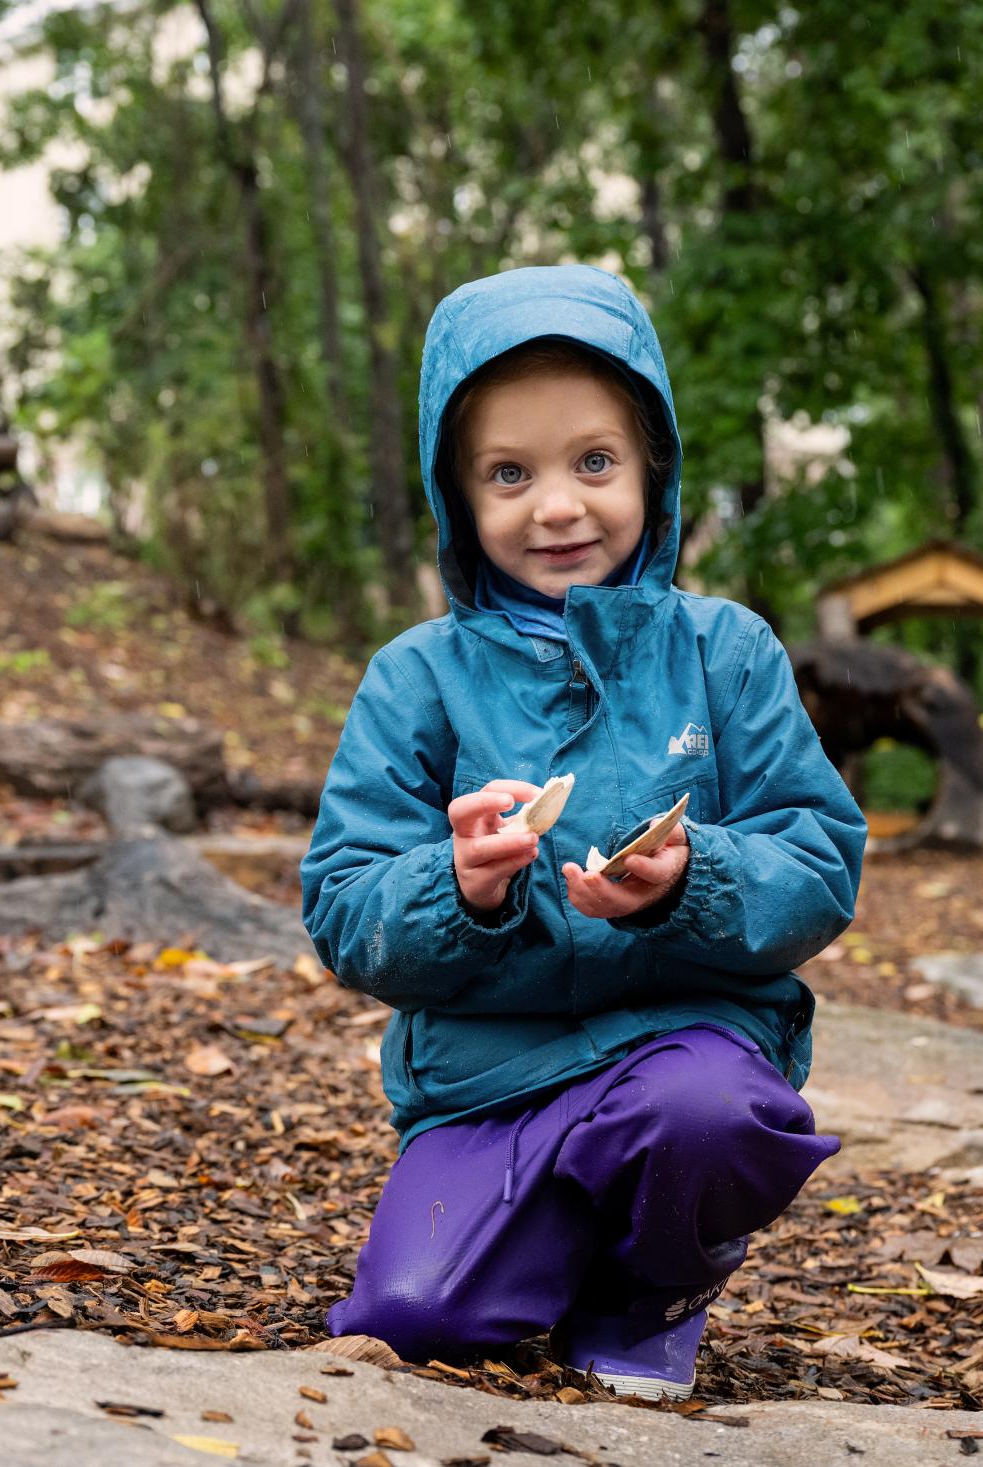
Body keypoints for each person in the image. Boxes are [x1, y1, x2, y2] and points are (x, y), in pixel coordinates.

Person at [300, 264, 866, 1400]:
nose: (556, 505)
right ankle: (543, 1241)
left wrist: (689, 879)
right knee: (418, 1321)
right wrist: (458, 889)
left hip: (680, 1045)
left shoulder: (725, 650)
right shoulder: (416, 677)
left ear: (651, 466)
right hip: (486, 1077)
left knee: (710, 1116)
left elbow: (817, 857)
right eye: (508, 474)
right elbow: (343, 903)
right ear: (455, 495)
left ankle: (650, 1291)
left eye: (592, 462)